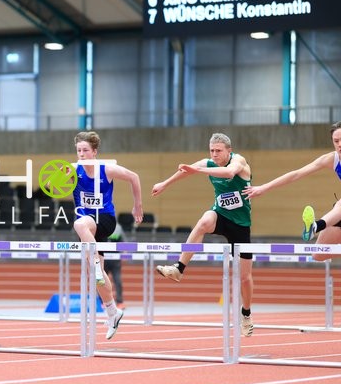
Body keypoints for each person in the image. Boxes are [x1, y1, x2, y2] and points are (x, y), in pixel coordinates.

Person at [152, 132, 255, 336]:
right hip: (220, 214)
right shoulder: (207, 163)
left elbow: (229, 173)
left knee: (244, 277)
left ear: (229, 151)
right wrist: (165, 183)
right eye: (212, 151)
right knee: (204, 222)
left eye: (219, 151)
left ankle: (246, 314)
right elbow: (186, 171)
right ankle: (179, 268)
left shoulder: (239, 161)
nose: (214, 154)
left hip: (241, 225)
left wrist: (199, 169)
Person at [70, 131, 143, 340]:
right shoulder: (73, 170)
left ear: (94, 152)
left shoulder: (107, 169)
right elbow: (53, 184)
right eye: (78, 151)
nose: (81, 154)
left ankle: (94, 263)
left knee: (79, 223)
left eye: (85, 150)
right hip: (88, 231)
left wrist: (137, 205)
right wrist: (60, 177)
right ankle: (113, 312)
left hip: (104, 220)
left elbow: (134, 177)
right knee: (97, 276)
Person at [243, 121, 341, 260]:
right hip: (339, 214)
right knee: (318, 254)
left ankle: (316, 226)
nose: (339, 144)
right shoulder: (332, 159)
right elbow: (296, 174)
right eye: (336, 141)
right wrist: (263, 188)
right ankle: (313, 227)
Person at [103, 223, 125, 309]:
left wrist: (124, 251)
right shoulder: (100, 225)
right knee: (101, 282)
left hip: (115, 260)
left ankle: (120, 302)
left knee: (118, 281)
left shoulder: (118, 227)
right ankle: (103, 302)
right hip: (103, 258)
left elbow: (123, 241)